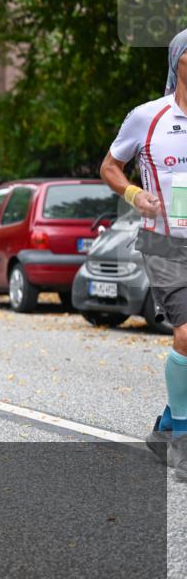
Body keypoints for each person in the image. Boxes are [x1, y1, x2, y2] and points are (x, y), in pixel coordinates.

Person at [99, 28, 187, 479]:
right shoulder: (148, 117)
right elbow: (110, 166)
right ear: (179, 61)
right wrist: (134, 195)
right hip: (164, 242)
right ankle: (183, 440)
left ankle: (167, 426)